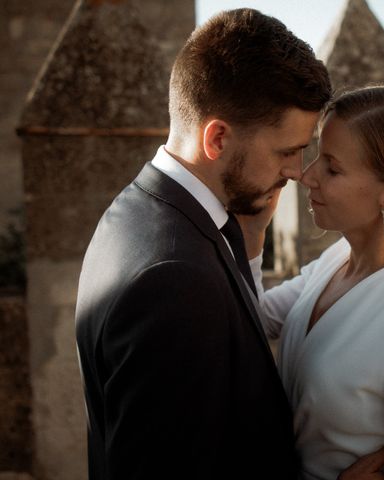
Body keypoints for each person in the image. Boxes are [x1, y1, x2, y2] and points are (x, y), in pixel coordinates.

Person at [75, 9, 331, 479]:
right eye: (287, 151)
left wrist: (251, 241)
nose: (298, 171)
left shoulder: (141, 210)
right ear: (217, 138)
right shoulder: (173, 280)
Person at [241, 86, 384, 480]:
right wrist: (253, 234)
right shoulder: (336, 259)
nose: (306, 175)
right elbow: (255, 318)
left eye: (332, 168)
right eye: (316, 155)